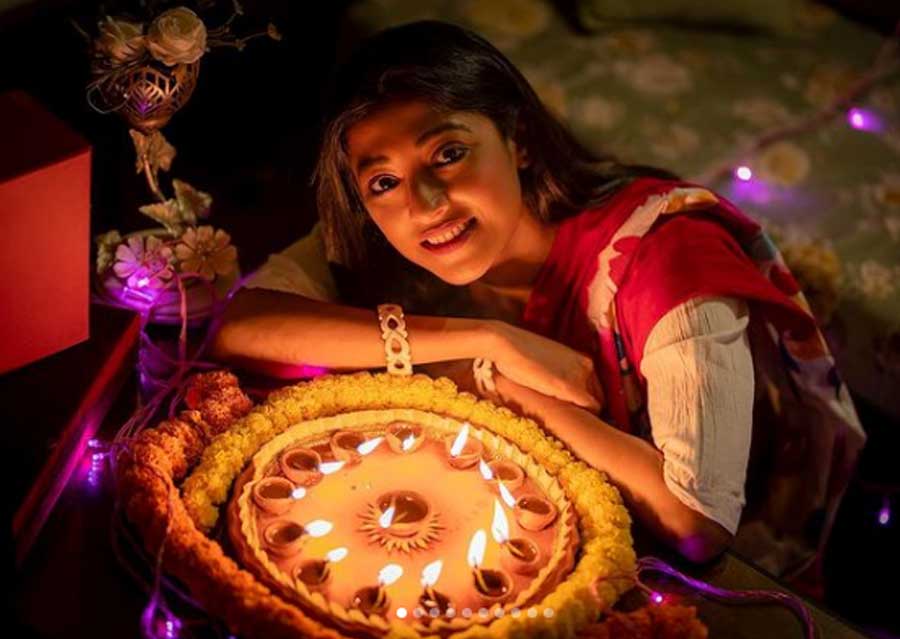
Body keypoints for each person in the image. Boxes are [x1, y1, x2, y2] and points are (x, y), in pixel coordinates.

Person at [212, 21, 865, 589]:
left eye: (449, 153)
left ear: (517, 139)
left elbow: (697, 522)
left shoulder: (663, 257)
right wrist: (489, 341)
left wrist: (496, 384)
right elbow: (245, 325)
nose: (427, 204)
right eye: (384, 181)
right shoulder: (384, 237)